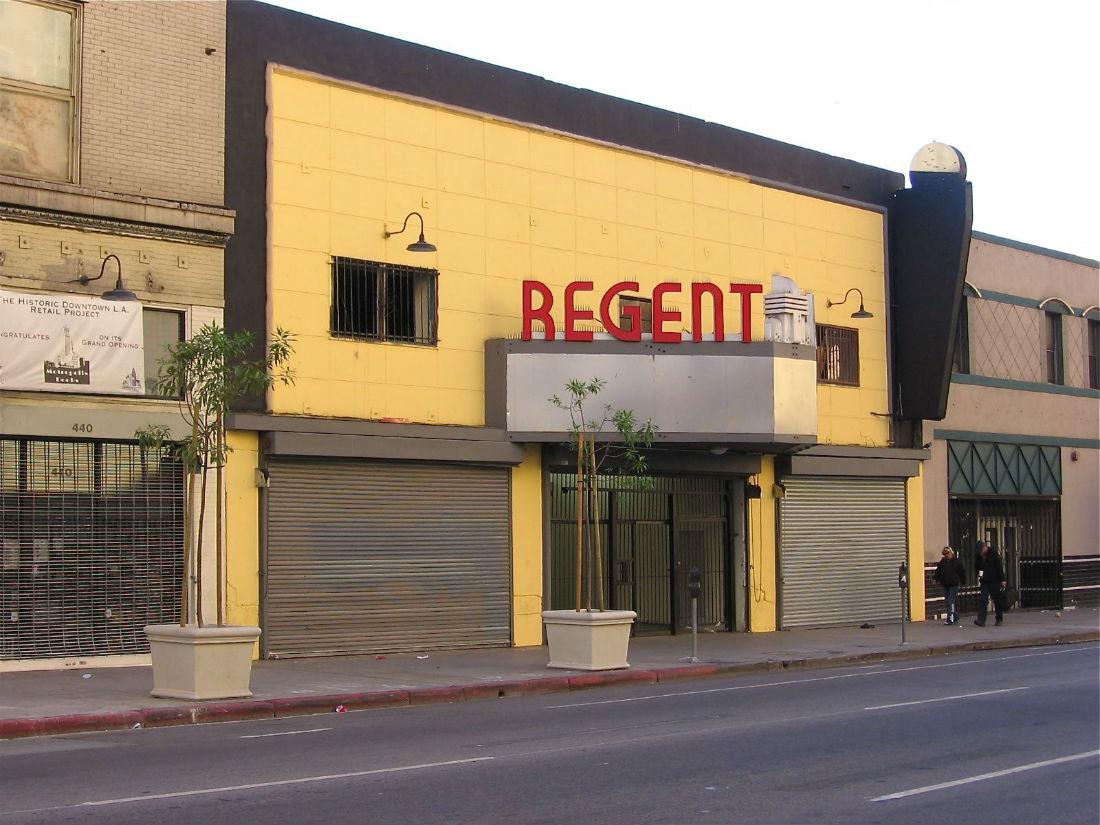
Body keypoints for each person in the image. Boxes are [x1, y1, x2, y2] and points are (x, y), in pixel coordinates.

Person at [974, 540, 1007, 626]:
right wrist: (979, 574)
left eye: (981, 550)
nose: (980, 552)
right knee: (983, 599)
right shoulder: (979, 556)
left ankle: (999, 618)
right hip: (984, 581)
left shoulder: (993, 553)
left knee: (996, 599)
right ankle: (981, 620)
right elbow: (977, 566)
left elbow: (999, 567)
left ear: (985, 547)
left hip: (994, 580)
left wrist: (1002, 579)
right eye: (979, 550)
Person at [933, 546, 965, 625]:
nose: (946, 555)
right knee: (947, 602)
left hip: (953, 584)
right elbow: (938, 571)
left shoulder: (956, 562)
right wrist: (935, 578)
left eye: (947, 553)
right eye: (944, 554)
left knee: (951, 602)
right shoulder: (942, 562)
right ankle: (955, 616)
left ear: (951, 553)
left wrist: (963, 581)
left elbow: (962, 572)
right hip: (946, 584)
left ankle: (950, 619)